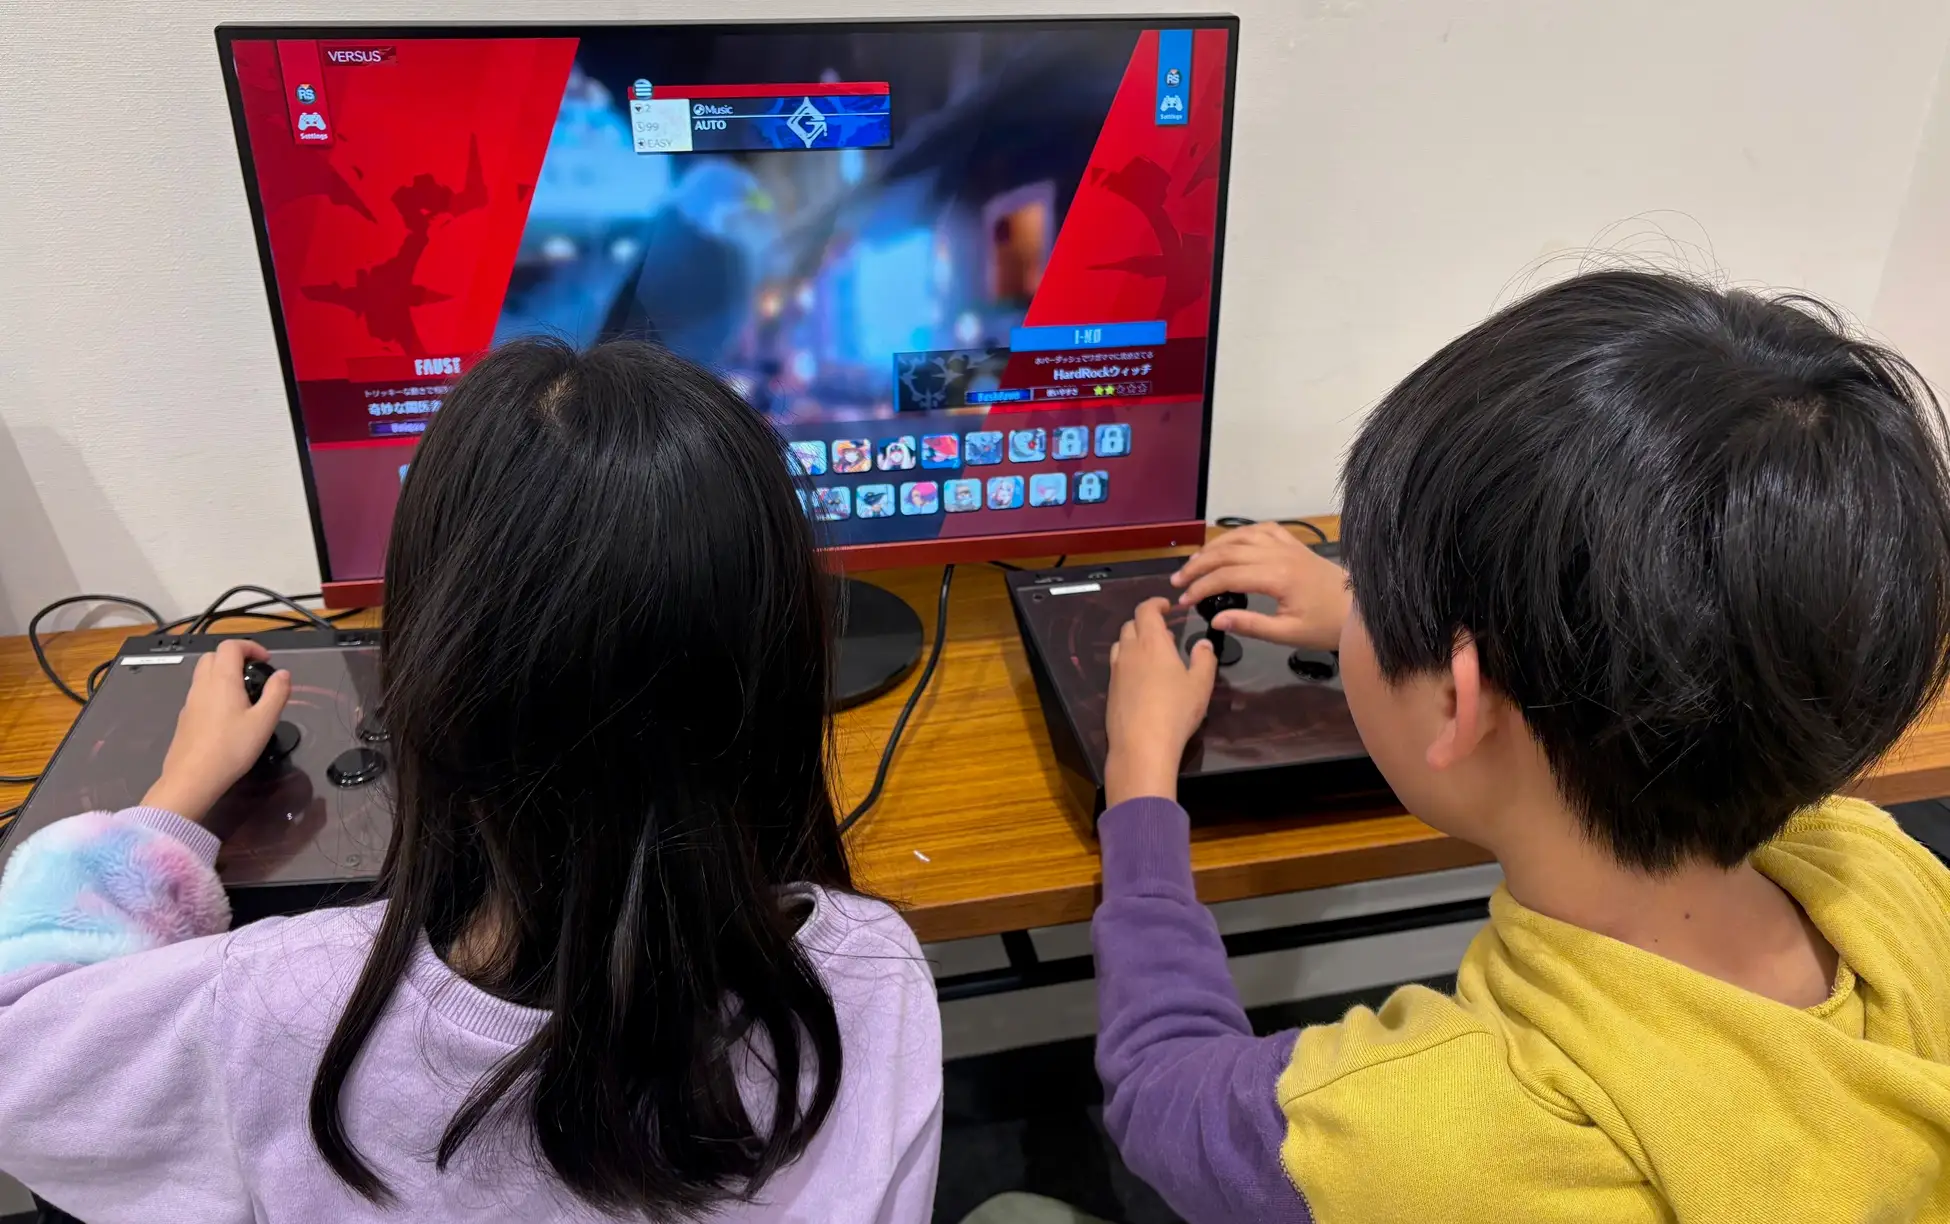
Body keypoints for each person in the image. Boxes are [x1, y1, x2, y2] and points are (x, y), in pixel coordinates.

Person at [0, 339, 942, 1222]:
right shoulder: (872, 981)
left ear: (427, 677)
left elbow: (19, 1055)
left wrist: (174, 801)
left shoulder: (276, 1011)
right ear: (784, 673)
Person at [1094, 270, 1950, 1222]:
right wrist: (1404, 624)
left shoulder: (1431, 1134)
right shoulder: (1887, 871)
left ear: (1460, 705)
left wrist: (1140, 778)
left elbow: (1162, 1088)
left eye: (1365, 580)